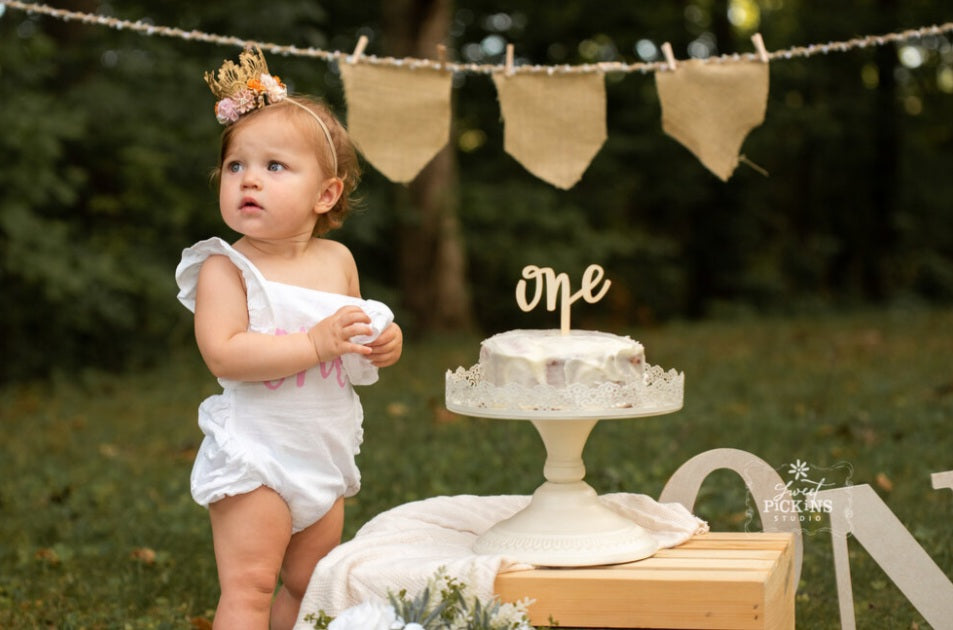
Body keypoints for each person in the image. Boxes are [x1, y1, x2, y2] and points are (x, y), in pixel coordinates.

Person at [175, 47, 403, 629]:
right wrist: (316, 344)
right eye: (235, 166)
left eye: (274, 166)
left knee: (309, 585)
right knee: (251, 587)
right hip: (259, 456)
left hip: (323, 455)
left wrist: (382, 342)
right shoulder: (226, 268)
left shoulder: (339, 260)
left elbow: (352, 339)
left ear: (324, 195)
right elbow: (224, 353)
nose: (249, 178)